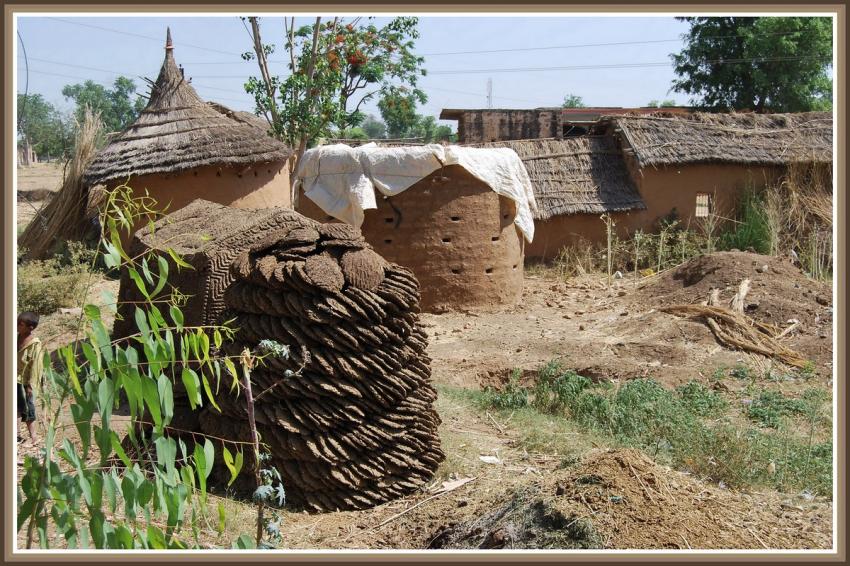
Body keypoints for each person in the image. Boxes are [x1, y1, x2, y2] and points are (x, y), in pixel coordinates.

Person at [17, 311, 44, 445]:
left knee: (28, 409)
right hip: (14, 379)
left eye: (20, 324)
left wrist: (30, 385)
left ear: (30, 328)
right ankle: (15, 434)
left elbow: (36, 366)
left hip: (25, 381)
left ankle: (34, 437)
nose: (17, 326)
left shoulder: (35, 344)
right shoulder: (15, 339)